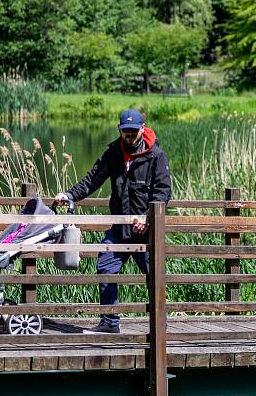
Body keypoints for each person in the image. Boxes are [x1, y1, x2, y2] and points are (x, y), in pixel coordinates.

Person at [55, 109, 171, 333]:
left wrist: (147, 219)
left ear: (142, 129)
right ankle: (109, 323)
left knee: (154, 275)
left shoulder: (156, 156)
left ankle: (159, 325)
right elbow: (92, 179)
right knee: (105, 268)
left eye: (133, 132)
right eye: (125, 131)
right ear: (119, 130)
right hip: (119, 230)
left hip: (146, 232)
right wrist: (70, 195)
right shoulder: (113, 153)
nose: (129, 136)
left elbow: (163, 193)